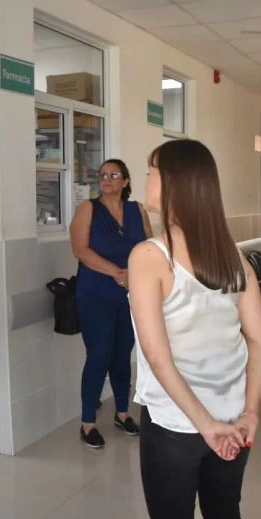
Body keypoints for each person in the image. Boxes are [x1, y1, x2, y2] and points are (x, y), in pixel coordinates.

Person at [128, 139, 261, 519]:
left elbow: (158, 357)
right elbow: (260, 341)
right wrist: (251, 411)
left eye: (151, 171)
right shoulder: (233, 259)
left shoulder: (149, 257)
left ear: (174, 182)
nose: (146, 179)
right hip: (234, 418)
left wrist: (205, 425)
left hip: (176, 424)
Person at [70, 158, 153, 448]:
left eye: (113, 174)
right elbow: (80, 250)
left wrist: (135, 273)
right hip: (95, 294)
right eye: (102, 175)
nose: (106, 179)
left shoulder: (137, 210)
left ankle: (122, 413)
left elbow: (150, 247)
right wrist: (118, 273)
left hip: (130, 295)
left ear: (126, 181)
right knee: (99, 355)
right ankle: (87, 422)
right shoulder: (88, 209)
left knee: (122, 355)